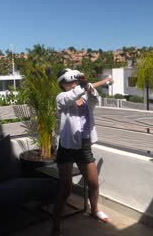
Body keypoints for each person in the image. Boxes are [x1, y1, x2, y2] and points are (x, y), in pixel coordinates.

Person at [51, 68, 113, 236]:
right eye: (69, 82)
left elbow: (94, 101)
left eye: (75, 81)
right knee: (65, 188)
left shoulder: (84, 96)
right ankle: (56, 226)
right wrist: (85, 85)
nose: (73, 84)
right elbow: (72, 97)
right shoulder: (61, 98)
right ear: (62, 85)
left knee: (93, 183)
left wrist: (90, 89)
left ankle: (94, 211)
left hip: (84, 145)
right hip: (67, 147)